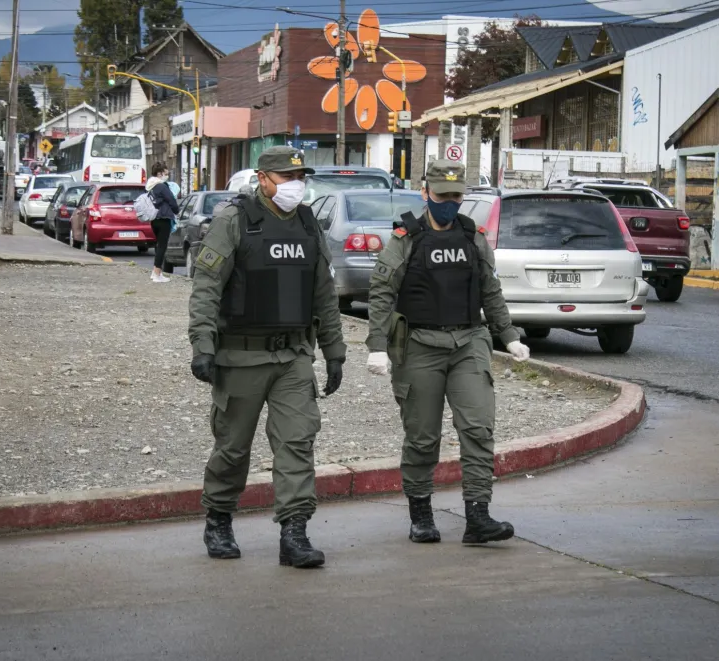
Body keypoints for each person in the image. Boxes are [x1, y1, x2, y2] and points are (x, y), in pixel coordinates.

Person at [188, 146, 346, 568]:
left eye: (300, 177)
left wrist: (334, 351)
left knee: (297, 442)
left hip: (293, 356)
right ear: (262, 178)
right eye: (286, 177)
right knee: (233, 447)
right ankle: (219, 518)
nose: (296, 185)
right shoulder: (233, 220)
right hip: (240, 357)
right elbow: (206, 287)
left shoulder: (307, 223)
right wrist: (202, 346)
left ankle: (294, 534)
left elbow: (323, 294)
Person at [365, 159, 531, 546]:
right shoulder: (407, 237)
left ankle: (478, 516)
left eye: (457, 196)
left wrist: (509, 336)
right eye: (443, 195)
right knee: (422, 436)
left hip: (468, 341)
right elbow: (381, 291)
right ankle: (421, 515)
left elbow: (489, 290)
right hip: (419, 345)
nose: (450, 202)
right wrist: (376, 346)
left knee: (478, 427)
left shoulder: (472, 236)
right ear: (426, 193)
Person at [146, 162, 180, 283]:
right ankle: (157, 274)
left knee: (158, 245)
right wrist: (176, 211)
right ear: (160, 174)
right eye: (166, 173)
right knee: (162, 246)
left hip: (154, 219)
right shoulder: (161, 186)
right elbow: (171, 200)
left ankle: (155, 271)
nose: (167, 176)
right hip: (163, 218)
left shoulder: (150, 186)